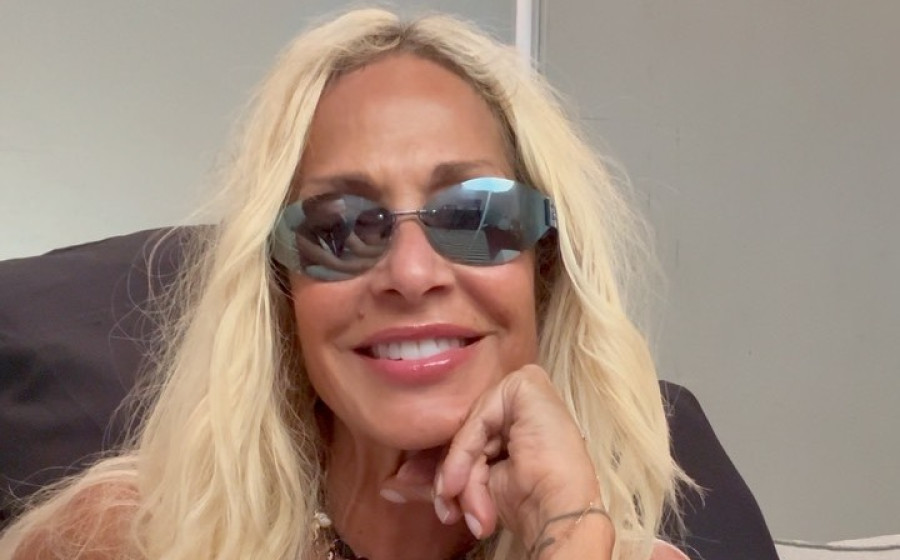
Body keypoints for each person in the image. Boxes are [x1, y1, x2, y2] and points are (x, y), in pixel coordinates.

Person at [0, 8, 774, 560]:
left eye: (473, 216)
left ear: (543, 267)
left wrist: (567, 534)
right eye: (339, 229)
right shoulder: (123, 539)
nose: (410, 272)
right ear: (282, 288)